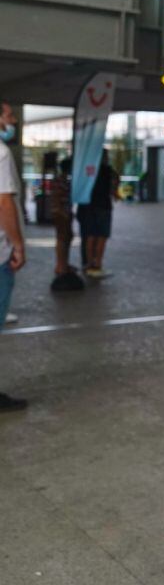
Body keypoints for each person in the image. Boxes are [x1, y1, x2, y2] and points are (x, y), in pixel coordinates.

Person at [0, 100, 26, 413]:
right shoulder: (2, 153)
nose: (14, 119)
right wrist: (18, 245)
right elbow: (4, 203)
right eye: (8, 115)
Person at [76, 149, 118, 279]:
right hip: (104, 206)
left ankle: (89, 265)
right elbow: (114, 190)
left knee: (90, 235)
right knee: (101, 236)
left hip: (88, 206)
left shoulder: (88, 169)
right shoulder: (109, 171)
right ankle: (97, 264)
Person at [50, 157, 83, 291]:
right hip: (61, 213)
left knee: (67, 237)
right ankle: (60, 265)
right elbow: (57, 198)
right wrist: (61, 212)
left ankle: (63, 263)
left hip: (65, 212)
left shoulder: (64, 180)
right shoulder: (60, 180)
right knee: (62, 238)